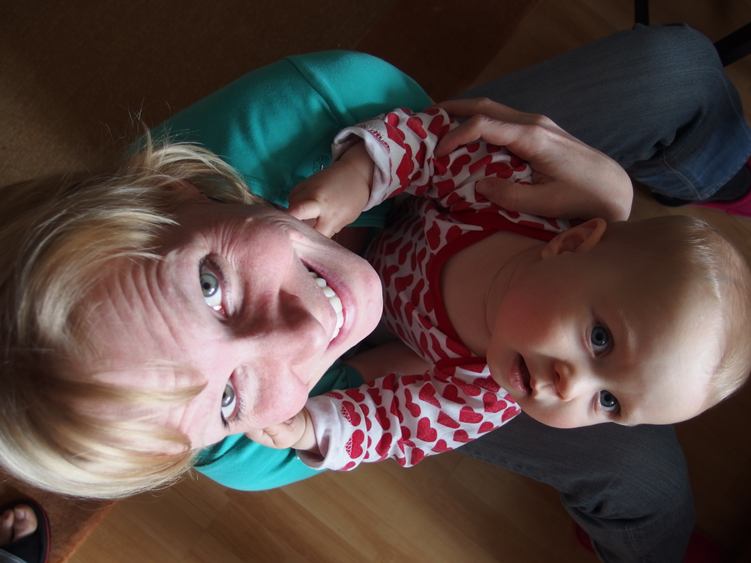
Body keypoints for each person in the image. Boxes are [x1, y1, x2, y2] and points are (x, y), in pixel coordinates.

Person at [0, 23, 748, 563]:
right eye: (226, 399)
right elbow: (392, 423)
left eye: (209, 285)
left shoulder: (466, 185)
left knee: (678, 67)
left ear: (178, 187)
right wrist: (312, 423)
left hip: (435, 196)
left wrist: (361, 175)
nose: (302, 332)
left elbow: (424, 144)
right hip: (481, 291)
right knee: (646, 480)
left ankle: (717, 172)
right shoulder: (259, 444)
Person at [249, 105, 750, 471]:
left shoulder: (482, 400)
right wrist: (359, 178)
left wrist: (311, 428)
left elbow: (394, 425)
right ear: (572, 244)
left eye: (609, 403)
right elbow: (430, 147)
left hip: (388, 332)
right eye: (600, 340)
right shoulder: (514, 201)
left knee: (359, 374)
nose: (570, 387)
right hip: (382, 220)